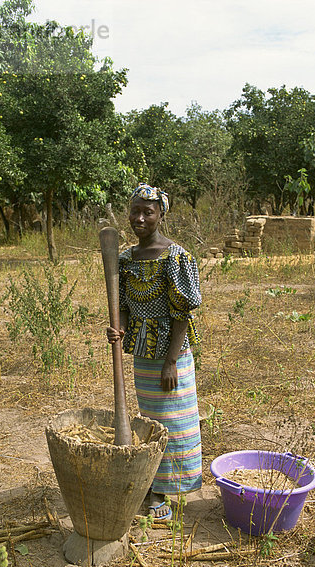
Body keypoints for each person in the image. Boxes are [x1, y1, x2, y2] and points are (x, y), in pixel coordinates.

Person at [107, 183, 202, 520]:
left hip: (169, 356)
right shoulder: (124, 258)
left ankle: (163, 490)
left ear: (161, 215)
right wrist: (118, 328)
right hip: (142, 355)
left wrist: (171, 362)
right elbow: (126, 309)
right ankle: (151, 482)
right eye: (135, 211)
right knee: (148, 422)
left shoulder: (176, 257)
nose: (140, 218)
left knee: (173, 423)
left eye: (148, 212)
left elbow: (182, 314)